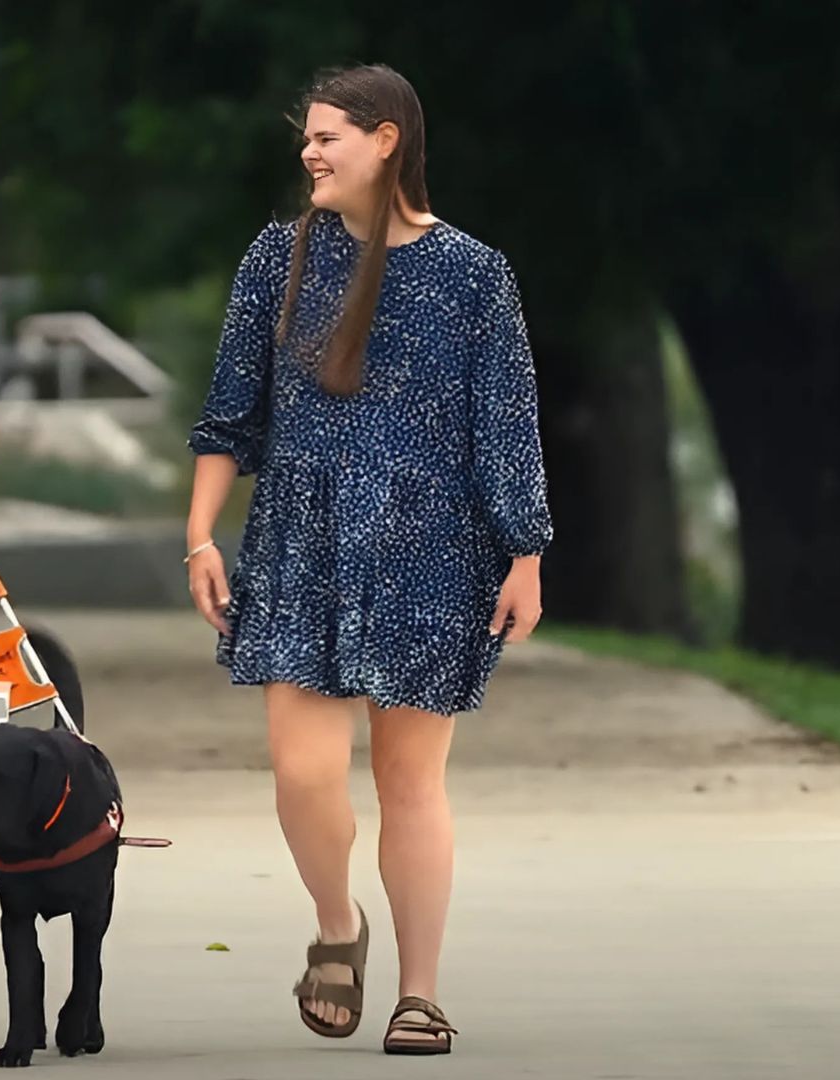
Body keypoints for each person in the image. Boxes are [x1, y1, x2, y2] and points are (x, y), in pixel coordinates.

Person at [184, 64, 552, 1056]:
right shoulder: (276, 260)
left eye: (328, 136)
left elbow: (505, 424)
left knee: (409, 780)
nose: (309, 152)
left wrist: (525, 553)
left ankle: (419, 994)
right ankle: (338, 926)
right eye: (305, 138)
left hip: (434, 555)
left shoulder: (475, 273)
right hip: (299, 548)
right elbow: (230, 415)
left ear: (387, 140)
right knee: (303, 774)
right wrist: (200, 535)